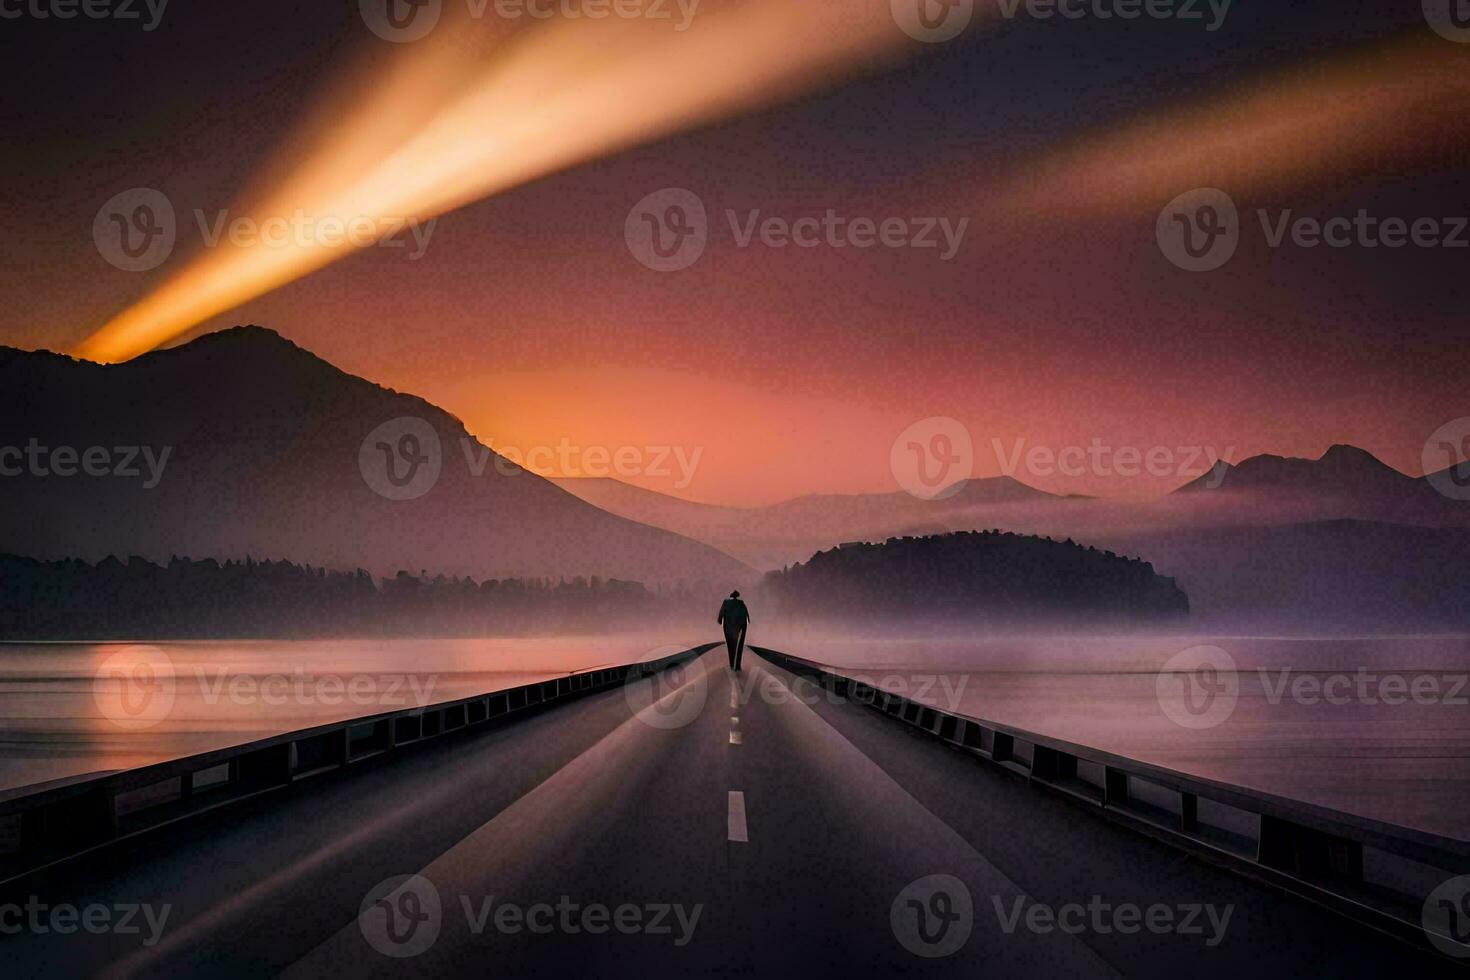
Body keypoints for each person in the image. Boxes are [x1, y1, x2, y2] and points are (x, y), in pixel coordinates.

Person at [717, 590, 750, 671]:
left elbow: (721, 614)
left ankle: (732, 664)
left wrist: (720, 620)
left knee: (730, 645)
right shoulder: (741, 603)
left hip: (729, 627)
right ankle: (737, 665)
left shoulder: (726, 602)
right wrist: (746, 622)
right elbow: (747, 615)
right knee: (739, 645)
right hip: (741, 626)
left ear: (731, 596)